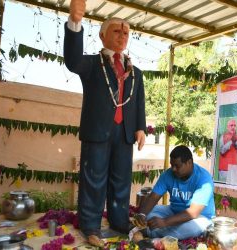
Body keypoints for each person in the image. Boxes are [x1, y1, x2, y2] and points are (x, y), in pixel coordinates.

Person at [64, 0, 146, 246]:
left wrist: (140, 127)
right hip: (97, 131)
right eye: (116, 31)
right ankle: (90, 226)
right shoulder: (90, 64)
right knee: (94, 179)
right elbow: (72, 60)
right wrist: (75, 23)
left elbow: (139, 101)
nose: (122, 35)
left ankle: (119, 220)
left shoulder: (136, 72)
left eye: (126, 32)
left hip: (124, 134)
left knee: (121, 179)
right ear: (102, 35)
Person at [133, 145, 215, 240]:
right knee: (149, 211)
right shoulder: (168, 174)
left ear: (189, 162)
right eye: (172, 165)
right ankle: (166, 233)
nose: (173, 169)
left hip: (200, 217)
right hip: (174, 212)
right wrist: (142, 215)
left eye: (177, 166)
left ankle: (150, 232)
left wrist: (164, 222)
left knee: (191, 228)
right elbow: (153, 197)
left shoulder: (204, 179)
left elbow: (193, 212)